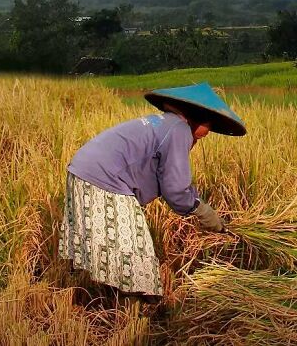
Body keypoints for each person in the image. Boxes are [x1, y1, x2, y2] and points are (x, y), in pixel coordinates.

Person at [59, 82, 246, 300]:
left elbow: (163, 174)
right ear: (196, 116)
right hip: (104, 179)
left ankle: (118, 297)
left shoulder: (166, 123)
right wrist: (202, 210)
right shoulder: (179, 130)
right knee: (134, 253)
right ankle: (142, 304)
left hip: (83, 172)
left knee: (118, 246)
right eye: (209, 124)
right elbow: (175, 188)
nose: (207, 132)